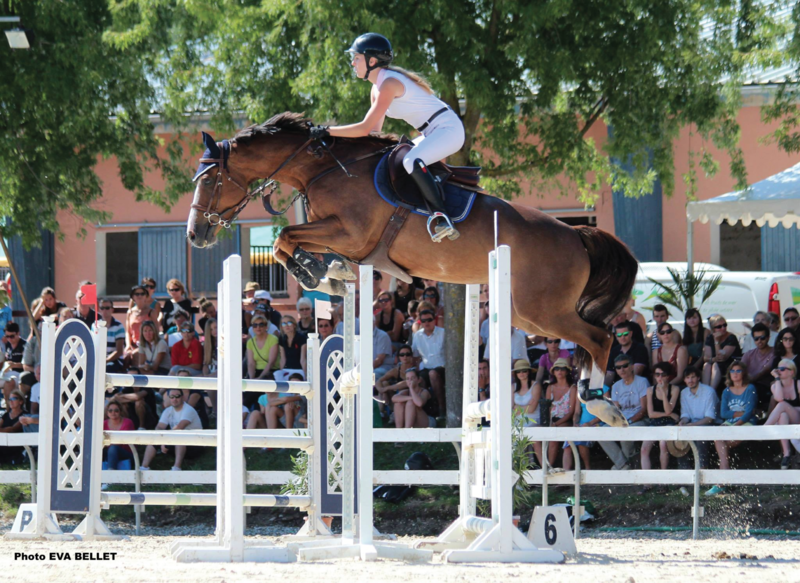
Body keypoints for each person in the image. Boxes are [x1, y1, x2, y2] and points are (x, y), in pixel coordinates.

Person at [316, 32, 466, 241]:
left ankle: (442, 217)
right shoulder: (376, 89)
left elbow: (364, 128)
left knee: (410, 160)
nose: (352, 63)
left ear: (372, 61)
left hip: (449, 130)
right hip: (433, 132)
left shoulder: (389, 84)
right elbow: (374, 132)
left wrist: (327, 131)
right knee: (390, 159)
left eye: (356, 58)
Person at [707, 362, 757, 495]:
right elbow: (724, 413)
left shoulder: (750, 388)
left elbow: (749, 413)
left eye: (738, 371)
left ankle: (722, 481)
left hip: (746, 423)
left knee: (723, 446)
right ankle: (726, 473)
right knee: (718, 437)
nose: (735, 373)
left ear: (743, 373)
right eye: (732, 371)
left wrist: (737, 423)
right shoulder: (727, 391)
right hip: (730, 422)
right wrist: (741, 414)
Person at [599, 354, 650, 471]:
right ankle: (623, 464)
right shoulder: (616, 386)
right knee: (600, 432)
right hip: (622, 420)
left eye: (625, 366)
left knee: (625, 433)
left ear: (632, 366)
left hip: (640, 420)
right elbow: (615, 409)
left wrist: (629, 421)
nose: (622, 369)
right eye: (618, 367)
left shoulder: (642, 381)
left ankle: (624, 466)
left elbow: (644, 409)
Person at [140, 389, 203, 471]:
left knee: (180, 437)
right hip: (175, 442)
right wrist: (161, 439)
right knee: (154, 438)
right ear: (169, 398)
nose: (174, 399)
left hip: (195, 445)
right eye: (172, 397)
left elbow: (179, 427)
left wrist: (165, 441)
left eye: (177, 396)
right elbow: (159, 427)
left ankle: (176, 468)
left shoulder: (188, 410)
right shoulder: (168, 410)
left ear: (182, 397)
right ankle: (144, 467)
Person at [640, 362, 680, 484]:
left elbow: (668, 409)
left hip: (669, 423)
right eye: (657, 375)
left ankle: (663, 480)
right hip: (656, 422)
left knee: (663, 444)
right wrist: (669, 414)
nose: (660, 378)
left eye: (663, 375)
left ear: (668, 376)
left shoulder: (674, 389)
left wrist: (663, 392)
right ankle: (647, 482)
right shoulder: (650, 390)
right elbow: (651, 414)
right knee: (644, 449)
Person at [677, 367, 719, 471]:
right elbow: (685, 414)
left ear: (698, 378)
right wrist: (683, 422)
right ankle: (684, 471)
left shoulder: (709, 391)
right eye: (687, 378)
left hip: (710, 424)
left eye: (693, 377)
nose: (690, 380)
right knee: (679, 435)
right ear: (684, 380)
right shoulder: (684, 392)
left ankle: (702, 470)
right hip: (693, 424)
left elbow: (710, 418)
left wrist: (693, 425)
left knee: (700, 435)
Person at [763, 359, 800, 469]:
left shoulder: (798, 384)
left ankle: (764, 428)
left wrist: (793, 409)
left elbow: (782, 403)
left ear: (791, 372)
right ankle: (786, 453)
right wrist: (777, 379)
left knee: (783, 406)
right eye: (778, 369)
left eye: (782, 369)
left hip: (798, 417)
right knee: (783, 415)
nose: (779, 371)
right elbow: (779, 398)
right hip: (786, 419)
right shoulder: (775, 386)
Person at [411, 308, 446, 416]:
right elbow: (415, 357)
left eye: (429, 320)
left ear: (434, 320)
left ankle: (441, 408)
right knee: (418, 379)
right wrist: (416, 372)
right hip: (427, 367)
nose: (426, 323)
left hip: (443, 367)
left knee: (433, 374)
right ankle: (426, 411)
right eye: (424, 320)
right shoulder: (417, 335)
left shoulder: (443, 333)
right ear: (420, 322)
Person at [544, 358, 577, 468]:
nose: (559, 371)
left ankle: (549, 467)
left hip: (566, 420)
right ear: (553, 372)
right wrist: (551, 423)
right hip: (552, 420)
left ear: (567, 372)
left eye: (562, 369)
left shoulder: (572, 388)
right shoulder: (550, 387)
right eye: (557, 369)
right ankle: (548, 468)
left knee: (555, 437)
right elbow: (547, 408)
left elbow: (571, 411)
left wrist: (556, 424)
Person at [703, 315, 742, 392]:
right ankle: (705, 391)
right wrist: (713, 359)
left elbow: (721, 358)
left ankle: (711, 391)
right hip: (715, 364)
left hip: (730, 364)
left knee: (716, 364)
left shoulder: (731, 338)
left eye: (724, 325)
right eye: (719, 327)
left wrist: (716, 341)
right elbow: (706, 357)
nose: (723, 328)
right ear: (713, 329)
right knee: (707, 365)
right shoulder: (710, 337)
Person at [740, 322, 776, 405]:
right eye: (756, 339)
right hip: (749, 385)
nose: (759, 341)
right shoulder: (748, 354)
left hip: (766, 387)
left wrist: (749, 380)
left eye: (762, 338)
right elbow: (740, 368)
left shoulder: (775, 352)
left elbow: (765, 370)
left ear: (768, 338)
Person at [605, 321, 649, 386]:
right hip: (618, 386)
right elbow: (610, 374)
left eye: (625, 334)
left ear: (631, 334)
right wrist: (604, 388)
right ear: (616, 336)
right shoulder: (614, 351)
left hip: (637, 385)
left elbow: (637, 372)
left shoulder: (640, 348)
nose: (622, 337)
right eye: (619, 335)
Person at [126, 284, 157, 366]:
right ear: (133, 297)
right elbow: (127, 332)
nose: (139, 296)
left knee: (136, 355)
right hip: (133, 344)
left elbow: (156, 330)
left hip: (147, 345)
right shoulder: (130, 312)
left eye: (142, 294)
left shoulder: (151, 312)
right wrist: (128, 345)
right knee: (126, 356)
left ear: (146, 296)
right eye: (137, 294)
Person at [103, 399, 135, 472]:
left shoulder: (128, 422)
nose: (113, 413)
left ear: (120, 411)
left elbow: (121, 442)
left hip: (127, 454)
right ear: (107, 412)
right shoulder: (103, 423)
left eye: (116, 410)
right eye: (110, 411)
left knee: (113, 448)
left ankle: (110, 473)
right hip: (109, 452)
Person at [275, 315, 307, 382]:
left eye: (289, 323)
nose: (287, 326)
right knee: (276, 375)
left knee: (294, 380)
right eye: (284, 324)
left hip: (298, 370)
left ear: (294, 325)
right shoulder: (282, 338)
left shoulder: (302, 338)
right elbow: (283, 359)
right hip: (286, 369)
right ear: (281, 327)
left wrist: (306, 375)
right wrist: (281, 371)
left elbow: (303, 359)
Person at [0, 388, 26, 464]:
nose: (11, 401)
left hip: (16, 446)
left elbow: (13, 429)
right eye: (9, 399)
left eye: (14, 399)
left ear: (21, 401)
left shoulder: (24, 415)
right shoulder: (5, 415)